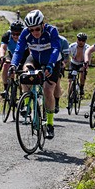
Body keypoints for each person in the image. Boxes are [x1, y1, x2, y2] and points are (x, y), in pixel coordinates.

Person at [9, 9, 61, 139]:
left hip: (52, 61)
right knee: (25, 75)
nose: (34, 32)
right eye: (31, 30)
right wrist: (13, 65)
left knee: (48, 90)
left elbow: (56, 49)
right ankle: (28, 104)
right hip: (35, 59)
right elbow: (19, 50)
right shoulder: (26, 33)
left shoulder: (51, 31)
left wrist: (50, 65)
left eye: (37, 29)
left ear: (43, 24)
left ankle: (49, 124)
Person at [0, 20, 24, 96]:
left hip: (24, 56)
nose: (15, 36)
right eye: (13, 34)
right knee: (6, 65)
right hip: (12, 55)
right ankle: (6, 89)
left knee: (22, 73)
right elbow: (2, 48)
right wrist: (2, 56)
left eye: (18, 34)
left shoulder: (25, 36)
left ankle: (22, 92)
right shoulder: (7, 36)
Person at [67, 32, 89, 102]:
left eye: (83, 40)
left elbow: (89, 58)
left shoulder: (87, 48)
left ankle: (81, 87)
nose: (81, 42)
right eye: (79, 40)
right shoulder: (72, 46)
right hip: (73, 63)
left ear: (85, 41)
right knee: (70, 81)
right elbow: (66, 55)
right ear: (77, 40)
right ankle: (69, 96)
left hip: (82, 63)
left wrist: (85, 66)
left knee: (82, 75)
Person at [53, 33, 70, 113]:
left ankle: (56, 103)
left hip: (59, 63)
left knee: (57, 83)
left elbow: (66, 56)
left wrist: (63, 62)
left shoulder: (63, 41)